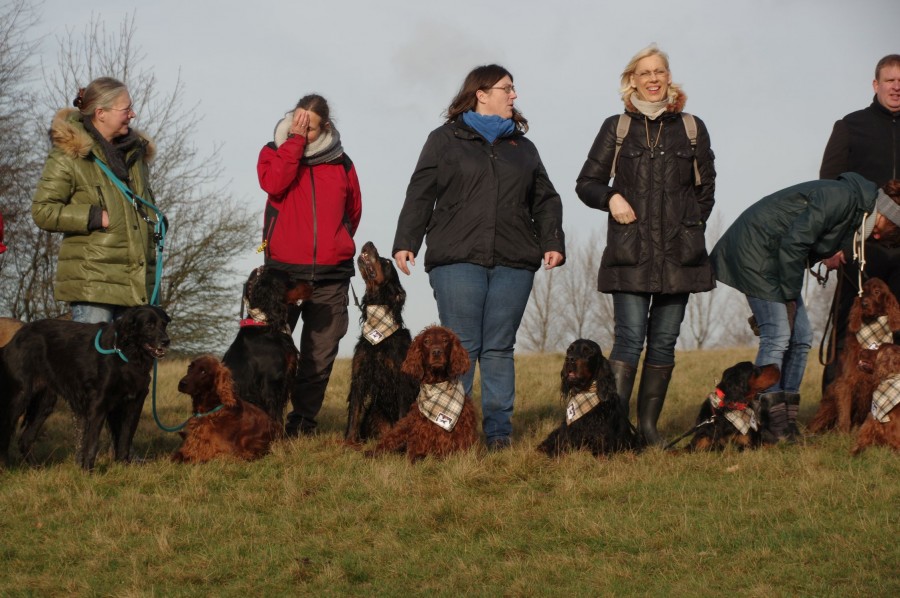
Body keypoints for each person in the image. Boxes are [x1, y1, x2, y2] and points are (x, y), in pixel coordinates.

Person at [393, 64, 565, 451]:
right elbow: (420, 193)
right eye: (507, 88)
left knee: (499, 347)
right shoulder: (444, 140)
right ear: (481, 94)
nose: (514, 95)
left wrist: (552, 240)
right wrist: (407, 240)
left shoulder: (524, 148)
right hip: (457, 259)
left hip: (514, 260)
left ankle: (499, 434)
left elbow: (546, 199)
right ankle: (452, 432)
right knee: (463, 346)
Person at [575, 44, 716, 445]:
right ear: (632, 80)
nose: (653, 79)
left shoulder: (692, 127)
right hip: (630, 254)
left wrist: (689, 226)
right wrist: (611, 198)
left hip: (679, 257)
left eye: (659, 71)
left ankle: (649, 429)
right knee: (630, 339)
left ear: (669, 77)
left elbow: (706, 190)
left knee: (665, 342)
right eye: (645, 73)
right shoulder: (617, 128)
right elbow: (586, 183)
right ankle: (616, 431)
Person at [710, 174, 900, 443]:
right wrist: (789, 298)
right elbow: (795, 243)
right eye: (887, 232)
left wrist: (831, 251)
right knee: (778, 334)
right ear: (887, 216)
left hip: (776, 258)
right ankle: (768, 425)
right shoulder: (843, 198)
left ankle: (785, 423)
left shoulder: (857, 210)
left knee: (801, 338)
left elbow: (810, 238)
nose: (878, 236)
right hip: (758, 252)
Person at [257, 94, 362, 437]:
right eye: (296, 122)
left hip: (331, 275)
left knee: (319, 355)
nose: (300, 129)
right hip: (282, 274)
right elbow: (274, 184)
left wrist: (335, 242)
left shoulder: (342, 163)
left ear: (326, 127)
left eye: (309, 127)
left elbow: (353, 211)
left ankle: (302, 423)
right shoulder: (273, 151)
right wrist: (295, 143)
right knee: (269, 352)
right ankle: (262, 421)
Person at [32, 77, 159, 324]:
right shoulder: (69, 155)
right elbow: (42, 210)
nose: (132, 114)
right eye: (126, 109)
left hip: (137, 287)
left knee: (133, 352)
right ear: (101, 113)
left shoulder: (136, 156)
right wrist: (93, 217)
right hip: (93, 286)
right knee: (92, 350)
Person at [819, 54, 900, 389]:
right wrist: (831, 244)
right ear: (876, 84)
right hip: (860, 247)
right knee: (848, 327)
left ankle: (891, 408)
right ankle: (832, 401)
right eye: (890, 80)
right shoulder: (850, 126)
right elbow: (828, 189)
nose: (896, 87)